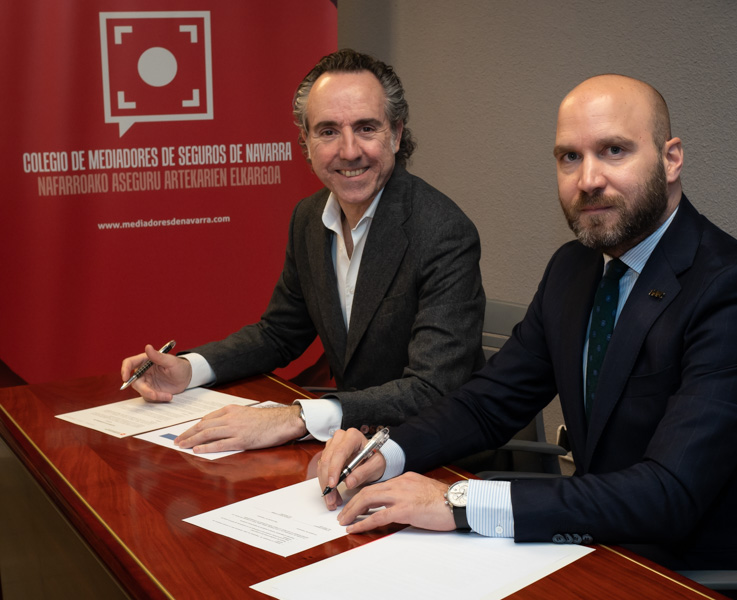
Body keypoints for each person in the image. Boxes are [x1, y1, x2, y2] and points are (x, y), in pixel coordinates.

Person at [318, 74, 737, 575]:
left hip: (693, 572)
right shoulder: (574, 267)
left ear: (671, 159)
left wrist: (460, 501)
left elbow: (667, 493)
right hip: (595, 547)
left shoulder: (734, 292)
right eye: (570, 157)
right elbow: (489, 404)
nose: (588, 179)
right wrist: (386, 453)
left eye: (614, 151)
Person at [120, 49, 485, 453]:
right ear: (306, 144)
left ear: (396, 135)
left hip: (432, 453)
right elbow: (279, 334)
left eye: (366, 128)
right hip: (348, 444)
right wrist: (188, 370)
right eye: (328, 131)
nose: (349, 150)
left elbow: (432, 388)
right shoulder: (309, 218)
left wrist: (297, 417)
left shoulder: (443, 232)